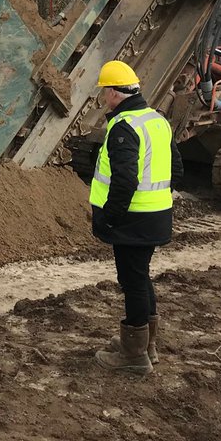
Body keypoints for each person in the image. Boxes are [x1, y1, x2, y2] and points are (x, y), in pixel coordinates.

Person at [90, 60, 183, 375]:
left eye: (105, 92)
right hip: (156, 215)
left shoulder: (124, 126)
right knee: (140, 278)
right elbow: (177, 169)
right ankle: (146, 346)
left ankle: (133, 355)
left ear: (115, 93)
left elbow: (126, 180)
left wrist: (110, 218)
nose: (104, 98)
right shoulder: (157, 120)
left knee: (132, 282)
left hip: (133, 220)